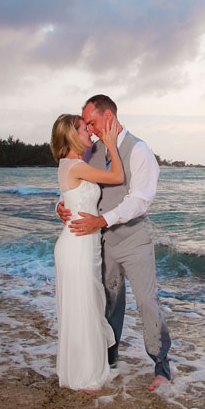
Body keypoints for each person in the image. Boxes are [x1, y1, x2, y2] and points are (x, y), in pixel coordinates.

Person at [58, 94, 172, 391]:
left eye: (92, 122)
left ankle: (162, 367)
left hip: (134, 239)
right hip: (101, 242)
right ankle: (108, 361)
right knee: (107, 302)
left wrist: (102, 220)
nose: (91, 129)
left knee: (147, 301)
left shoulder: (139, 151)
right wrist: (59, 205)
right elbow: (75, 184)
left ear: (109, 115)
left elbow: (140, 201)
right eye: (87, 125)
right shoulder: (90, 150)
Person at [50, 113, 123, 393]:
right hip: (77, 246)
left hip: (82, 244)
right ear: (71, 135)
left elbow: (70, 197)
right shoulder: (76, 166)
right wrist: (111, 144)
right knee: (83, 310)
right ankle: (84, 377)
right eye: (84, 129)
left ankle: (85, 371)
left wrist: (58, 206)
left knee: (87, 307)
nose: (89, 133)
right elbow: (116, 176)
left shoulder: (70, 165)